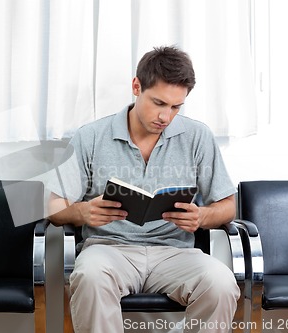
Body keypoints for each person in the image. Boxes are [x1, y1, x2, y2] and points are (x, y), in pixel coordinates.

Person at [47, 46, 240, 333]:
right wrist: (83, 212)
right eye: (159, 103)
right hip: (109, 250)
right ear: (136, 86)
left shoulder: (197, 136)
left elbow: (228, 204)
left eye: (176, 107)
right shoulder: (91, 136)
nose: (166, 116)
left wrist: (202, 217)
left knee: (222, 283)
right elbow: (53, 207)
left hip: (175, 253)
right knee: (89, 276)